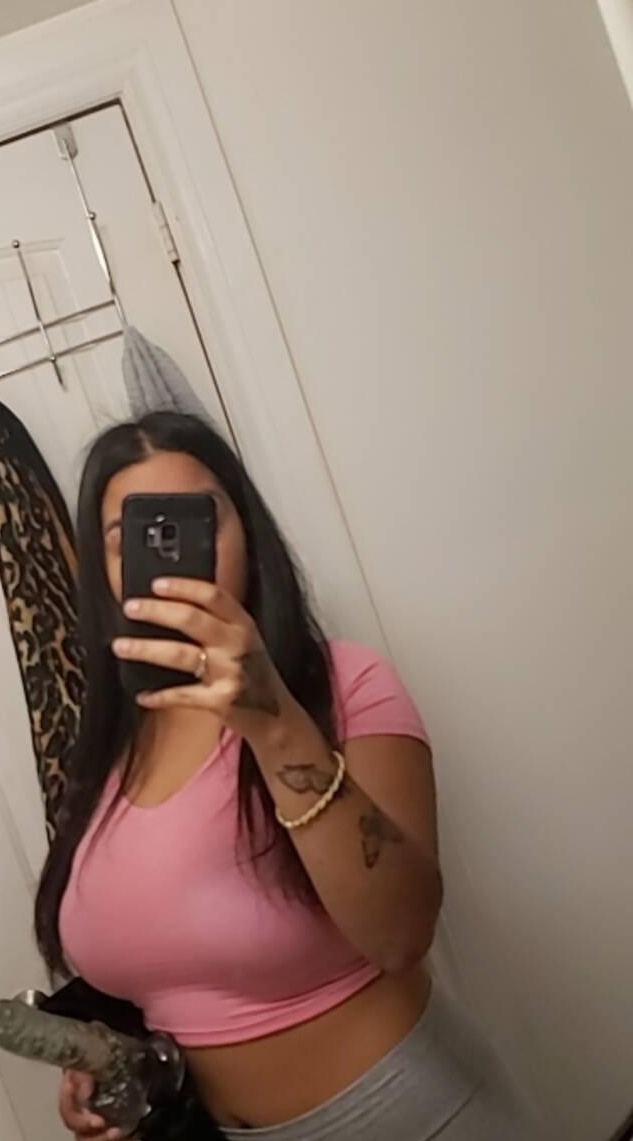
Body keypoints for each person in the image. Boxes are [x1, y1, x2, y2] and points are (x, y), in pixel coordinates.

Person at [34, 412, 534, 1140]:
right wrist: (112, 1064)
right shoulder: (108, 748)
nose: (171, 556)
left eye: (197, 521)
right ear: (103, 572)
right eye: (132, 536)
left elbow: (401, 932)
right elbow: (167, 971)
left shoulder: (344, 688)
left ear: (248, 535)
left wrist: (272, 721)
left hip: (414, 1114)